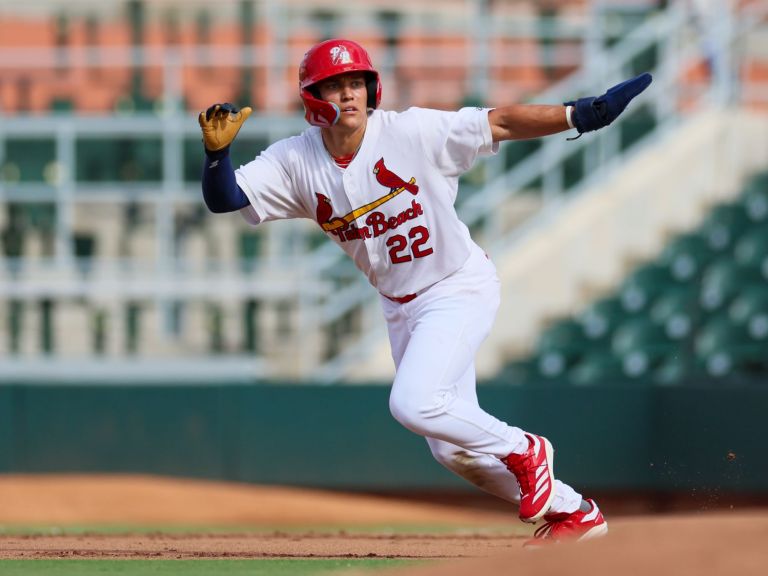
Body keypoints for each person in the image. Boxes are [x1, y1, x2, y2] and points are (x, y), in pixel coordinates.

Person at [199, 39, 651, 546]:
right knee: (450, 449)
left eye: (355, 83)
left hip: (456, 286)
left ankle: (526, 450)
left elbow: (499, 122)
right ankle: (575, 513)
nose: (348, 94)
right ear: (312, 96)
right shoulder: (294, 160)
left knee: (414, 403)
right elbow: (228, 199)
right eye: (335, 85)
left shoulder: (411, 131)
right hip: (399, 305)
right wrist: (217, 155)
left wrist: (578, 115)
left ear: (371, 88)